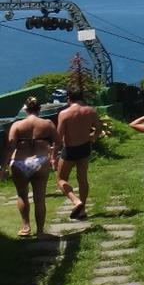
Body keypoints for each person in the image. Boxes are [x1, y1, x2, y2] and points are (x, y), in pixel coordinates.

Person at [4, 97, 58, 237]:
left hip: (20, 162)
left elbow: (10, 147)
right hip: (40, 161)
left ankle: (26, 227)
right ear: (39, 109)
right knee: (39, 198)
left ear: (25, 110)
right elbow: (58, 142)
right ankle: (40, 231)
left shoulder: (17, 125)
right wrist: (52, 155)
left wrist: (3, 166)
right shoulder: (47, 123)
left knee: (22, 195)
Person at [56, 88, 100, 219]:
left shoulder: (64, 113)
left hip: (70, 149)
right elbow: (98, 127)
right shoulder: (90, 111)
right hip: (85, 147)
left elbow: (59, 135)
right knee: (82, 179)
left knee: (61, 179)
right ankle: (83, 210)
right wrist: (93, 137)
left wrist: (53, 152)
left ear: (69, 97)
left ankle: (76, 200)